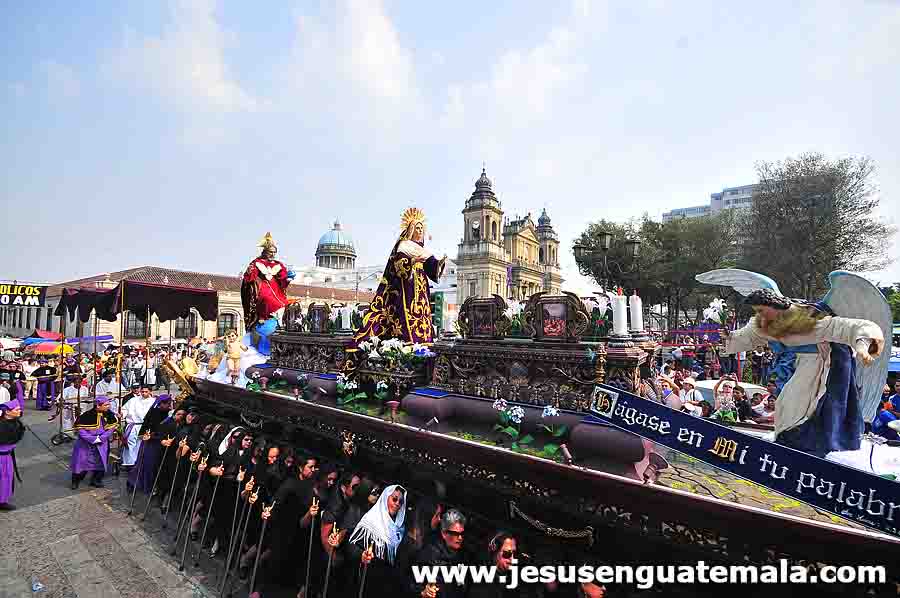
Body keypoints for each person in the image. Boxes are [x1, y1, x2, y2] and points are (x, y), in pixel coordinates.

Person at [350, 207, 447, 349]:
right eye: (417, 228)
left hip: (421, 284)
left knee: (424, 311)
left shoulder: (423, 250)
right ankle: (410, 340)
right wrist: (413, 261)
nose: (420, 231)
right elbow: (398, 265)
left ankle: (425, 339)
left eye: (422, 228)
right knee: (409, 310)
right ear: (411, 230)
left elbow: (433, 268)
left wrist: (440, 263)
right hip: (409, 284)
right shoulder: (404, 245)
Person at [347, 484, 410, 598]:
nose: (397, 504)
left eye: (400, 502)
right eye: (394, 499)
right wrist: (362, 555)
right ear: (385, 498)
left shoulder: (399, 530)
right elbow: (351, 546)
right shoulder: (371, 519)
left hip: (384, 586)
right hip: (364, 581)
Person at [240, 232, 295, 355]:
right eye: (270, 252)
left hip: (276, 289)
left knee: (284, 303)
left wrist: (288, 278)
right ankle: (262, 316)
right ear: (265, 251)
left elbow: (283, 278)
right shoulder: (256, 262)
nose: (273, 254)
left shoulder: (278, 264)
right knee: (266, 298)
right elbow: (249, 277)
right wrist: (249, 273)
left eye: (274, 252)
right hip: (262, 287)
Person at [70, 396, 119, 489]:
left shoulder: (110, 415)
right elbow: (81, 430)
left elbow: (111, 429)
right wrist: (92, 439)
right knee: (81, 463)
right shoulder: (86, 416)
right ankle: (75, 481)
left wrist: (101, 438)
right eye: (106, 405)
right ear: (98, 406)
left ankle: (96, 480)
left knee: (100, 463)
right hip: (85, 444)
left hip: (101, 444)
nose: (108, 406)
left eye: (108, 404)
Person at [129, 394, 174, 494]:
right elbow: (149, 430)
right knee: (147, 465)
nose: (169, 406)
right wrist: (152, 436)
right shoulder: (154, 414)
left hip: (160, 444)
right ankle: (137, 484)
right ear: (161, 404)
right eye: (168, 404)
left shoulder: (167, 413)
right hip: (151, 444)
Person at [120, 385, 156, 469]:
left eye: (146, 392)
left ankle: (141, 462)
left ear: (150, 392)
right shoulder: (133, 400)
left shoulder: (154, 401)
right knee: (130, 443)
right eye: (142, 391)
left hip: (146, 426)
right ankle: (130, 463)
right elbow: (124, 409)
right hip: (134, 425)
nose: (144, 393)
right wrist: (122, 414)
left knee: (142, 444)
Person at [0, 389, 25, 510]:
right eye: (17, 410)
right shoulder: (2, 425)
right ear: (7, 412)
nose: (20, 411)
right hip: (1, 457)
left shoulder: (15, 422)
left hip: (7, 457)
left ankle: (2, 501)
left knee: (6, 478)